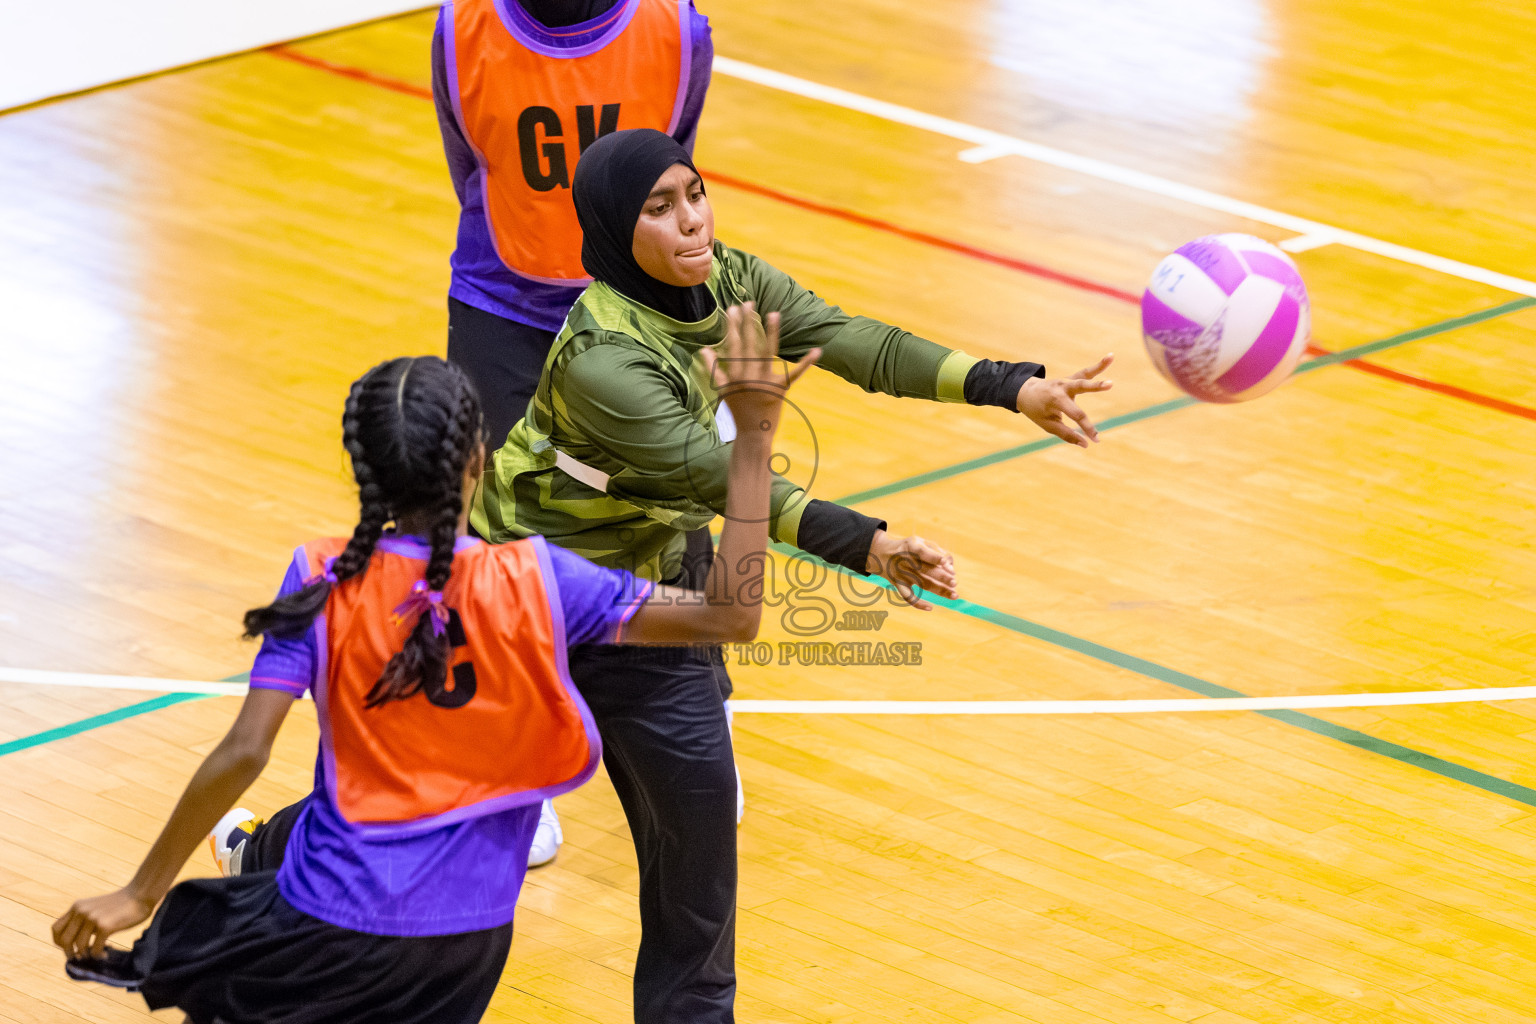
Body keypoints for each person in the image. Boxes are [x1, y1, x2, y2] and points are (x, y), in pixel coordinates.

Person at [472, 128, 1114, 1023]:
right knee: (413, 831)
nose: (692, 220)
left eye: (694, 192)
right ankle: (266, 856)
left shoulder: (726, 278)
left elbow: (852, 341)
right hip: (522, 600)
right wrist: (871, 544)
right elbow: (725, 480)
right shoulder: (604, 362)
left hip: (652, 606)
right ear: (618, 231)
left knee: (697, 857)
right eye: (660, 209)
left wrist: (1010, 386)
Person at [52, 328, 814, 1024]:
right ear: (478, 460)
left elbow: (244, 752)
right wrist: (750, 439)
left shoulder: (321, 577)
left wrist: (139, 892)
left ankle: (244, 862)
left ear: (365, 474)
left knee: (196, 943)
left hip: (333, 916)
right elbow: (731, 614)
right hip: (469, 943)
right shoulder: (541, 581)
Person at [434, 0, 717, 865]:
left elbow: (678, 167)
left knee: (678, 511)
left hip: (638, 302)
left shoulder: (677, 28)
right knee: (498, 540)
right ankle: (519, 766)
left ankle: (709, 717)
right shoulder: (460, 27)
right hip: (501, 304)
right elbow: (469, 166)